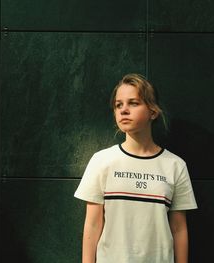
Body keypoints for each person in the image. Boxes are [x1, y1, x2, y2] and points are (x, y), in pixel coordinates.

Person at [74, 73, 197, 263]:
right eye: (118, 104)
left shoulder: (175, 165)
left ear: (153, 112)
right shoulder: (102, 161)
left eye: (133, 103)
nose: (123, 110)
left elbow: (179, 229)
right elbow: (92, 225)